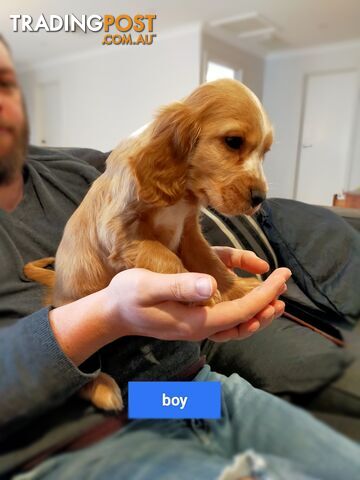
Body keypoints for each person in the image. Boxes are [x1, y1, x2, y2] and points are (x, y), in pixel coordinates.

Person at [0, 34, 359, 480]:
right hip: (75, 439)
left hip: (187, 391)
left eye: (5, 82)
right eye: (233, 143)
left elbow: (175, 229)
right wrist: (109, 314)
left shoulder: (73, 171)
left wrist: (217, 287)